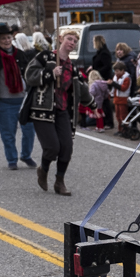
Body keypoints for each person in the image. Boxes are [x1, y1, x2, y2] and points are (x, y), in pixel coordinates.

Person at [24, 29, 94, 195]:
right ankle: (44, 170)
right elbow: (29, 75)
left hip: (63, 110)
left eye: (75, 41)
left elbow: (81, 88)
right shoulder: (46, 57)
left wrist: (93, 104)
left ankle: (59, 181)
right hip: (43, 109)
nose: (72, 43)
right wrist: (49, 73)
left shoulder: (72, 66)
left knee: (67, 148)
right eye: (69, 39)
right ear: (61, 39)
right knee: (52, 147)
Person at [0, 20, 36, 170]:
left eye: (8, 37)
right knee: (8, 133)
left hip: (23, 99)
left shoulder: (20, 54)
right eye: (3, 38)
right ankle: (12, 159)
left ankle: (26, 155)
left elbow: (30, 73)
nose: (7, 41)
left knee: (29, 130)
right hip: (3, 100)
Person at [91, 35, 114, 128]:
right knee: (102, 101)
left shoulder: (104, 53)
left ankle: (109, 121)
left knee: (105, 101)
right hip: (100, 79)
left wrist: (97, 72)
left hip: (103, 79)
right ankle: (103, 120)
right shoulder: (100, 52)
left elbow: (107, 66)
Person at [110, 61, 132, 136]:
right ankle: (120, 129)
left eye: (117, 71)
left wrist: (113, 84)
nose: (115, 73)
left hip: (123, 99)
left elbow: (123, 88)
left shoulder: (126, 78)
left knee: (123, 116)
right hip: (117, 98)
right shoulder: (115, 77)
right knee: (118, 116)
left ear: (122, 70)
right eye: (115, 71)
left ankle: (125, 129)